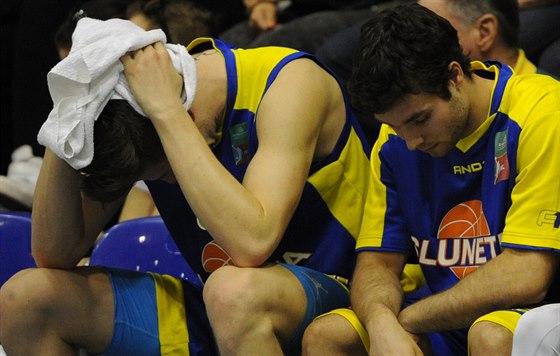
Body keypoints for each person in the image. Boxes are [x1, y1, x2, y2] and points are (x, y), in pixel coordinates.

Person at [0, 16, 372, 356]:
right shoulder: (132, 114)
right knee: (26, 299)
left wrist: (166, 112)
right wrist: (69, 110)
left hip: (342, 299)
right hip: (223, 311)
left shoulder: (288, 83)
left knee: (233, 292)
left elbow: (252, 244)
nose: (169, 183)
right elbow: (54, 253)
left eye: (164, 175)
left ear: (188, 115)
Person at [302, 3, 560, 356]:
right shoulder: (396, 140)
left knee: (489, 336)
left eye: (420, 119)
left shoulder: (541, 111)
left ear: (454, 75)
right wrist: (381, 325)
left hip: (533, 310)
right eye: (394, 125)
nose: (411, 141)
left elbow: (527, 275)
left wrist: (408, 320)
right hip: (445, 312)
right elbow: (377, 262)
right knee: (328, 335)